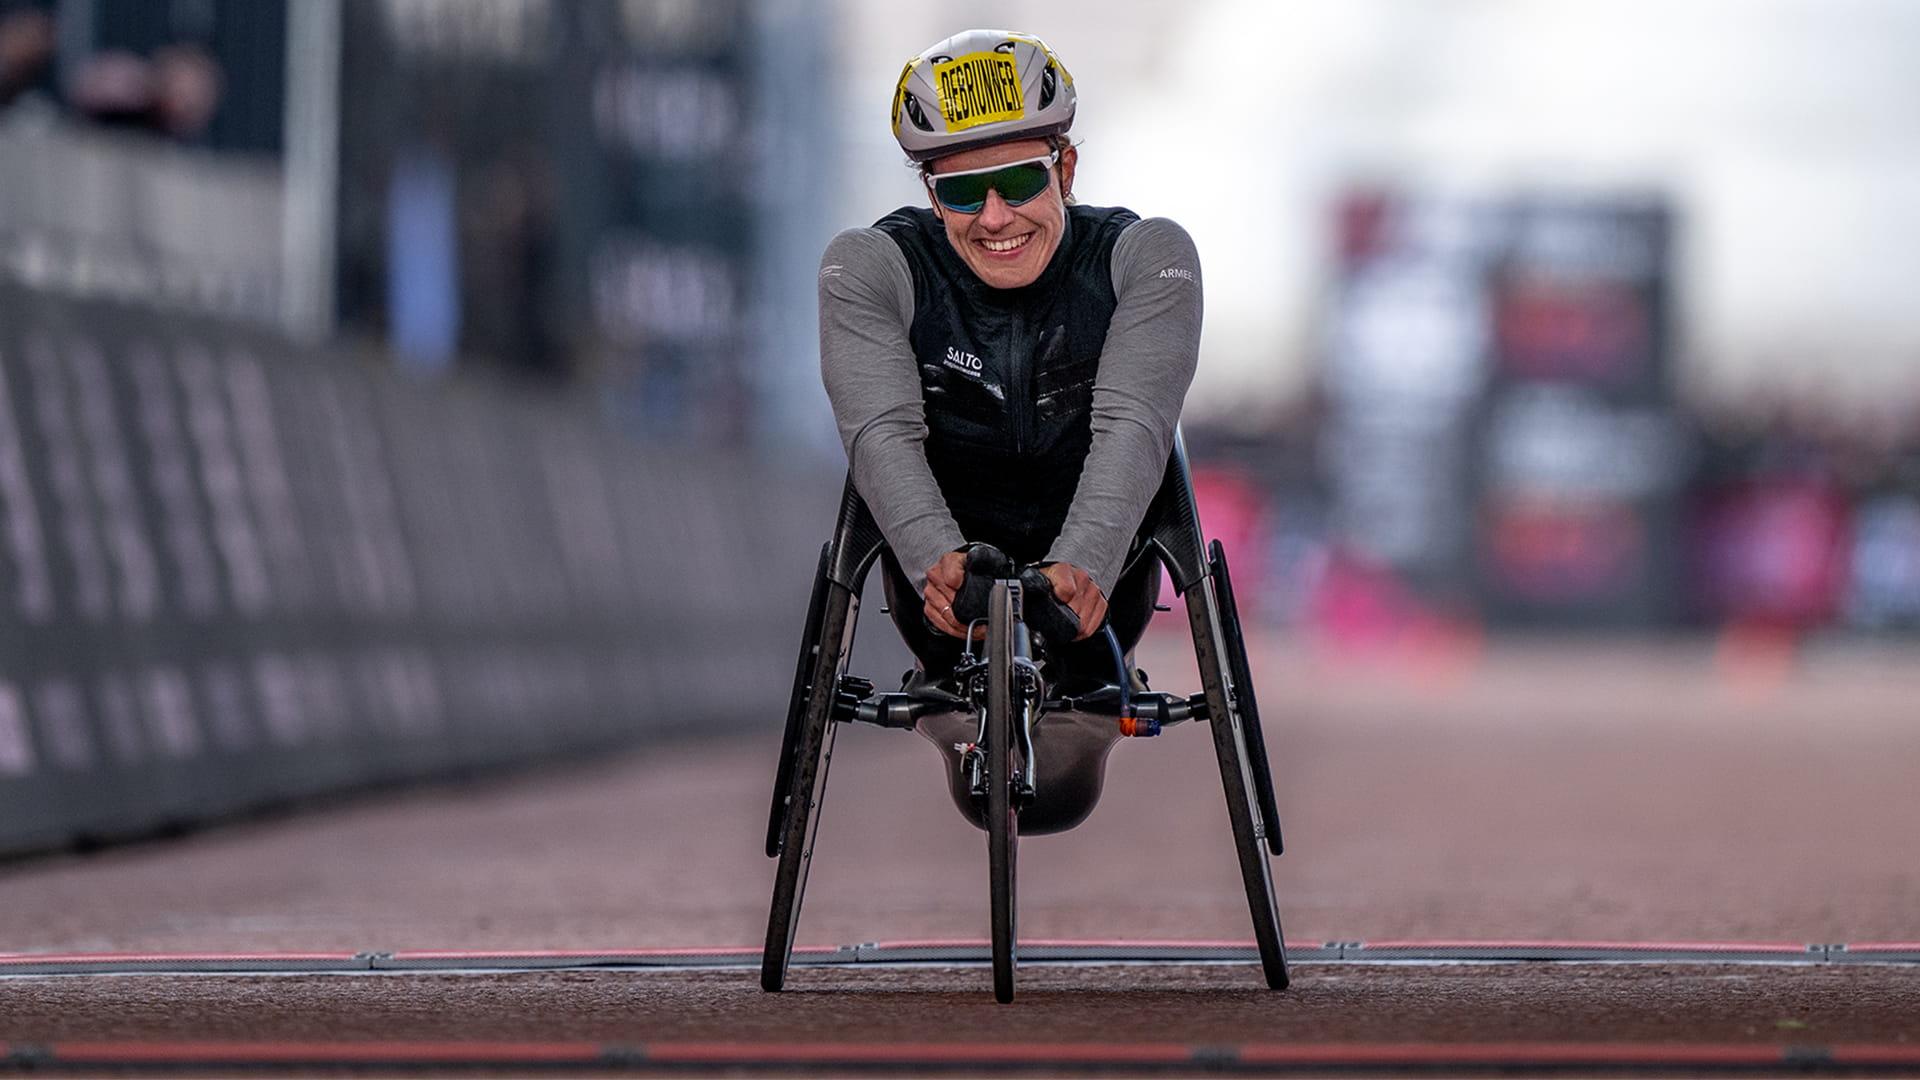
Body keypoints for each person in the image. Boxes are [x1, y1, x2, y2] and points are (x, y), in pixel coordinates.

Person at [819, 29, 1201, 692]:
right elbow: (880, 434)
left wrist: (1082, 565)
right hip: (945, 593)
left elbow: (1136, 425)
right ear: (934, 198)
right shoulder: (868, 267)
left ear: (1067, 170)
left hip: (1099, 589)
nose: (995, 218)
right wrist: (940, 563)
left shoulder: (1150, 258)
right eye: (964, 194)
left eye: (1021, 181)